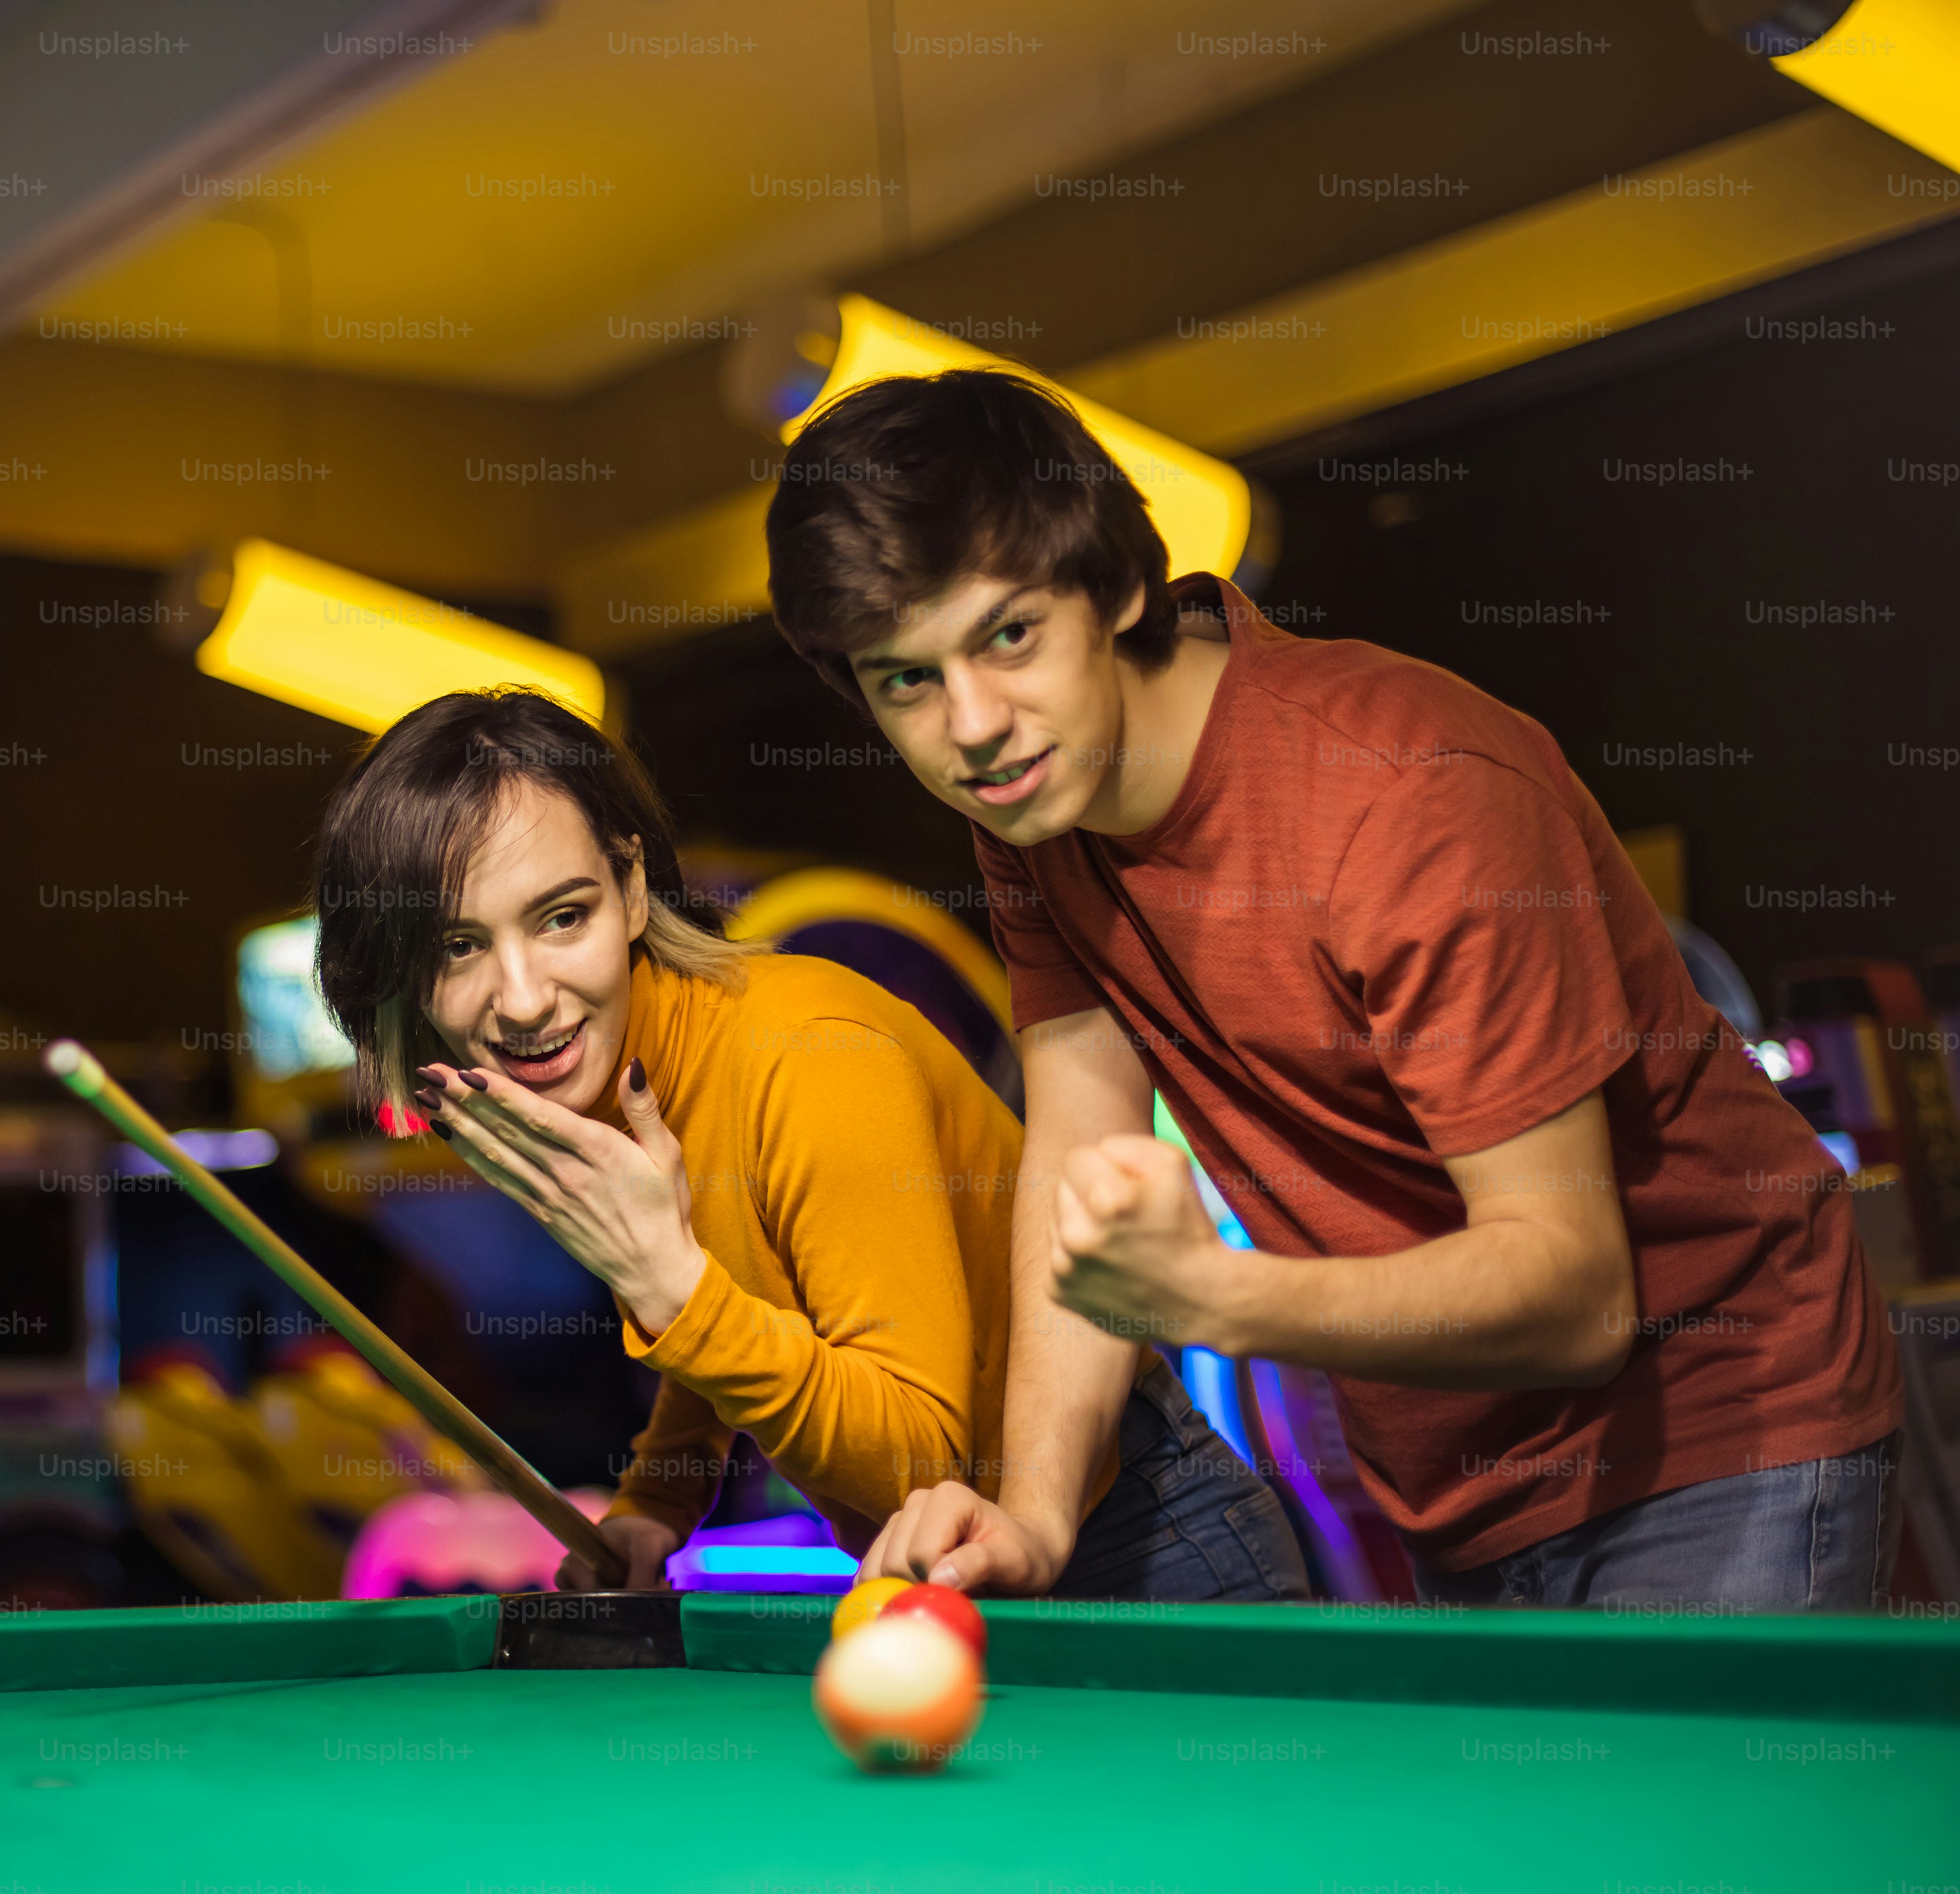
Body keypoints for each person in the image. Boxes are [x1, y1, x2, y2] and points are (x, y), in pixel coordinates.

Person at [769, 368, 1901, 1610]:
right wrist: (1035, 1514)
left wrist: (1214, 1296)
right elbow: (1073, 1164)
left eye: (1007, 634)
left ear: (1119, 586)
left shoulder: (1404, 796)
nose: (970, 724)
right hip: (1454, 1465)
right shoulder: (1034, 806)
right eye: (904, 680)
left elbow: (1575, 1296)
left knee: (1683, 1815)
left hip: (1716, 1418)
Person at [310, 686, 1306, 1597]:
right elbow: (739, 1305)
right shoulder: (610, 1080)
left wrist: (672, 1289)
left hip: (1146, 1547)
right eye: (458, 945)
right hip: (960, 1575)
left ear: (634, 888)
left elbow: (928, 1464)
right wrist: (661, 1501)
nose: (524, 998)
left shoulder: (808, 1057)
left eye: (562, 917)